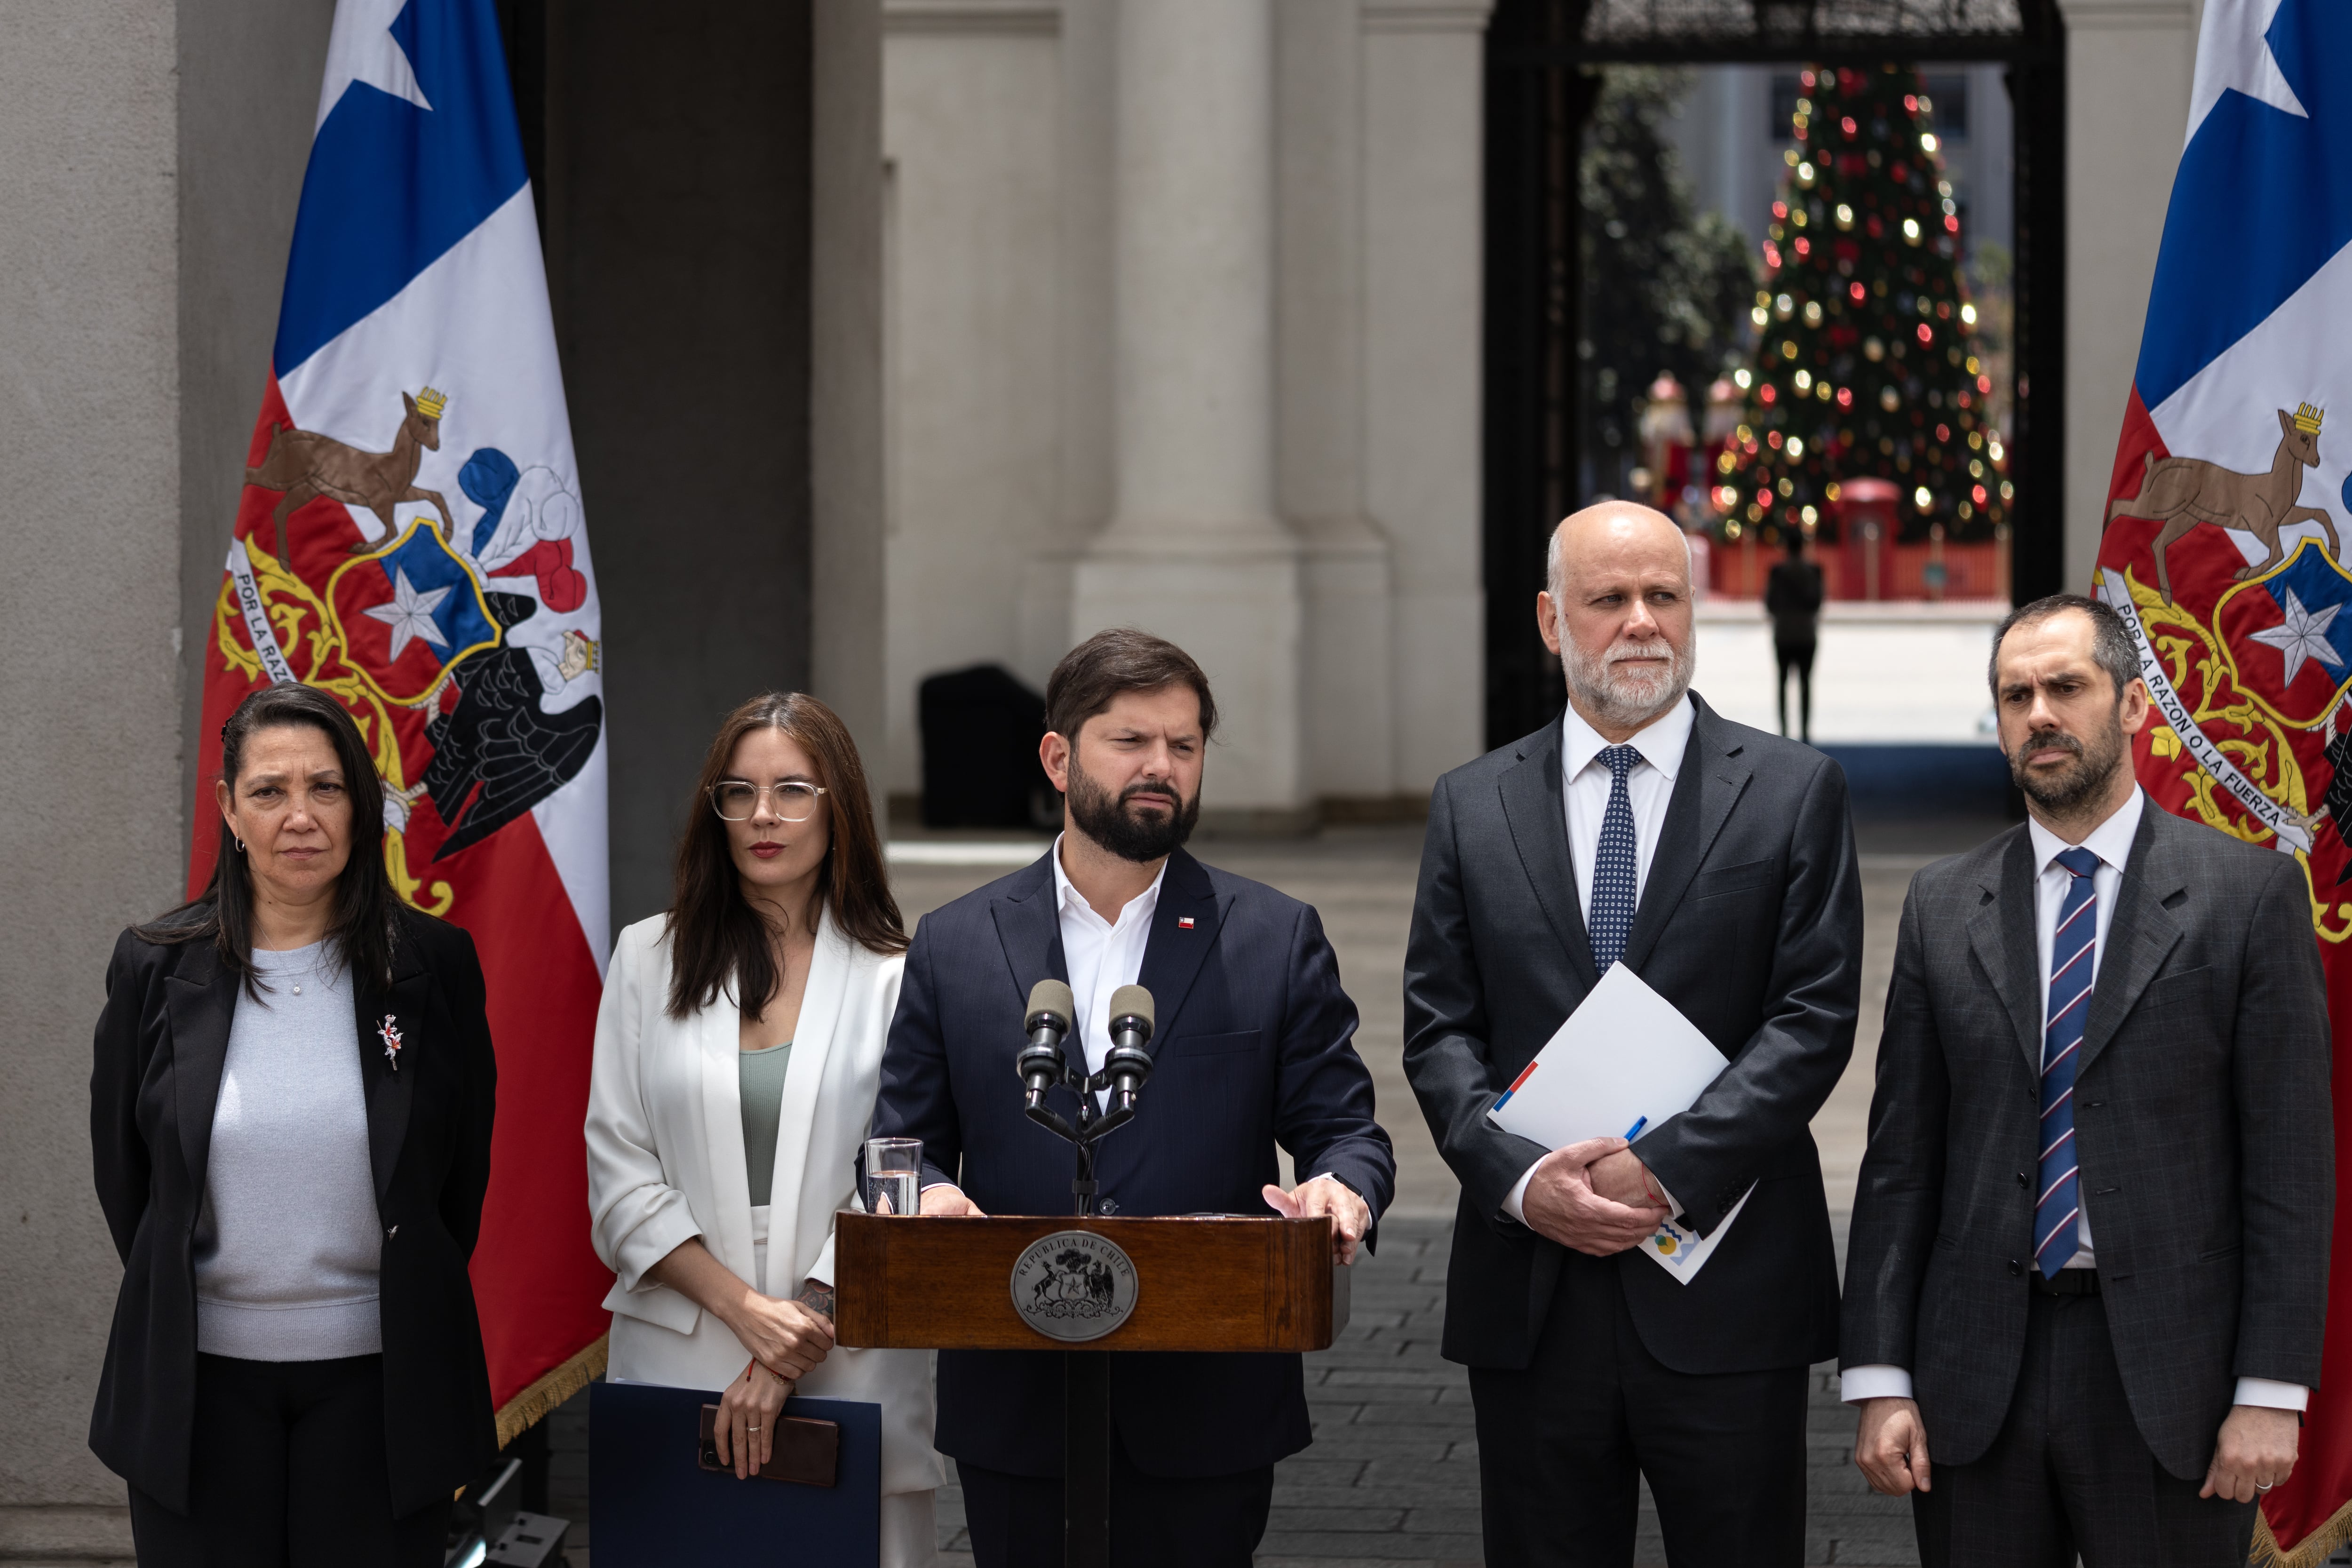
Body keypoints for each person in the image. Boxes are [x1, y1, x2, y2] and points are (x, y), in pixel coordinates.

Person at [1402, 501, 1863, 1567]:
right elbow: (1438, 1030)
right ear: (1550, 620)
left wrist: (1661, 1170)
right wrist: (1523, 1183)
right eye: (1608, 600)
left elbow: (1813, 1017)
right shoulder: (1470, 805)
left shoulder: (1794, 792)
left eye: (1664, 595)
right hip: (1532, 1293)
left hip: (1730, 1290)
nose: (1641, 622)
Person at [874, 628, 1396, 1568]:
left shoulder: (1270, 936)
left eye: (1185, 745)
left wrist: (1339, 1187)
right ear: (1058, 755)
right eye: (1132, 741)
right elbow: (897, 1143)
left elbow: (1341, 1127)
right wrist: (920, 1197)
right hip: (1018, 1397)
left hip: (1205, 1401)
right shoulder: (954, 941)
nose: (1162, 766)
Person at [1841, 594, 2333, 1566]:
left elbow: (2288, 1170)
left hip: (2172, 1379)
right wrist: (1881, 1376)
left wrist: (2270, 1392)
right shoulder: (1944, 904)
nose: (2038, 714)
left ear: (2134, 705)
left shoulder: (2247, 896)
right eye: (2014, 694)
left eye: (2065, 687)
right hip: (1976, 1373)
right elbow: (1901, 1162)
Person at [90, 682, 499, 1566]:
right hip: (196, 1391)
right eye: (270, 790)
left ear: (361, 805)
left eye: (327, 787)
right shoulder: (154, 967)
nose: (300, 815)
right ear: (229, 808)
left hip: (384, 1389)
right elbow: (131, 1184)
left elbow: (455, 1181)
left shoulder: (433, 963)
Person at [587, 692, 944, 1565]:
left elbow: (899, 1177)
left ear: (840, 806)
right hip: (681, 1345)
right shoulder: (646, 957)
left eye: (793, 790)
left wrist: (791, 1346)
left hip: (846, 1354)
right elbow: (618, 1171)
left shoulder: (902, 977)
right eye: (738, 793)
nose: (763, 816)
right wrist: (748, 1314)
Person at [1764, 527, 1823, 742]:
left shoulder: (1778, 572)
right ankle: (1806, 731)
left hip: (1784, 634)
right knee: (1806, 683)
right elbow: (1817, 602)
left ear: (1786, 547)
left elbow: (1770, 604)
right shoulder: (1815, 571)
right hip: (1807, 634)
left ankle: (1784, 729)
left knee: (1782, 681)